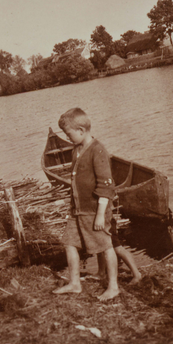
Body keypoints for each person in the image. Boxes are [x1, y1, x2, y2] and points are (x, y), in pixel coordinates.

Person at [52, 108, 119, 301]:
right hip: (78, 210)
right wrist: (72, 207)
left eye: (69, 134)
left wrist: (100, 214)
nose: (68, 138)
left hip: (95, 209)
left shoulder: (97, 150)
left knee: (105, 245)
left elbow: (106, 185)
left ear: (81, 130)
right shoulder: (77, 150)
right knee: (69, 242)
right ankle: (74, 283)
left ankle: (113, 286)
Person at [95, 217, 142, 285]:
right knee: (100, 246)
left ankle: (137, 274)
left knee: (117, 248)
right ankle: (101, 273)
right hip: (98, 220)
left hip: (107, 221)